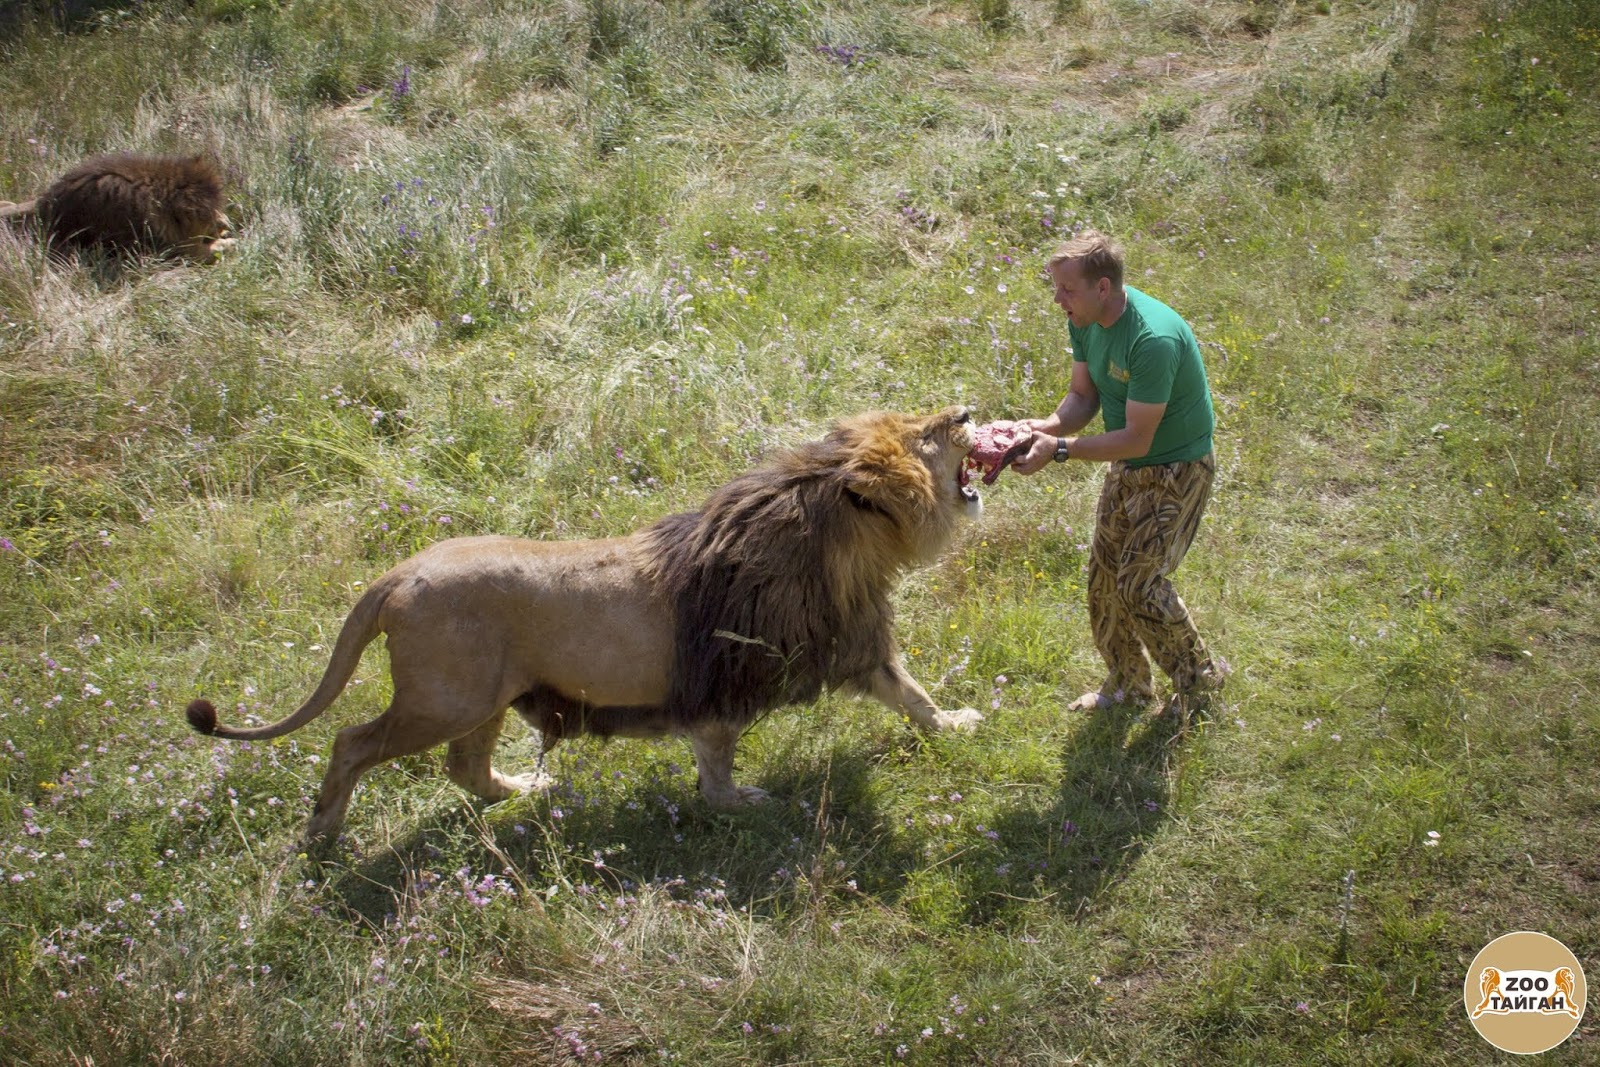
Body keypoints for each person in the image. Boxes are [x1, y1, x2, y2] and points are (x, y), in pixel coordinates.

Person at [1004, 228, 1226, 718]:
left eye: (1067, 289)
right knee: (1105, 578)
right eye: (1055, 287)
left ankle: (1199, 686)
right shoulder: (1083, 319)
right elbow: (1084, 399)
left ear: (1103, 288)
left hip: (1177, 465)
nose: (1058, 299)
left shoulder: (1153, 339)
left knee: (1140, 583)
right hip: (1129, 463)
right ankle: (1128, 685)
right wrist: (1041, 427)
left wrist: (1058, 449)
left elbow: (1136, 438)